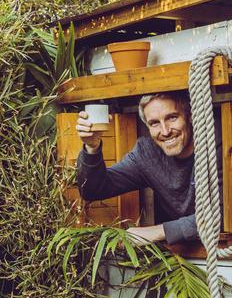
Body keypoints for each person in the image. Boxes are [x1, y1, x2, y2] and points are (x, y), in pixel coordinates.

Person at [75, 91, 220, 246]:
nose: (165, 131)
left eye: (172, 117)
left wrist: (156, 232)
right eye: (154, 123)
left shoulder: (217, 143)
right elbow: (93, 190)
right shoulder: (147, 153)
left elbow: (225, 215)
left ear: (190, 116)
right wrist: (92, 147)